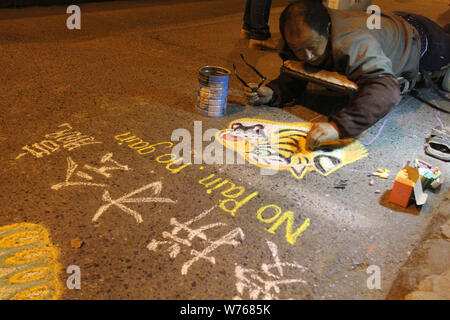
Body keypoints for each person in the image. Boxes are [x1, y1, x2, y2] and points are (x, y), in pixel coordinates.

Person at [245, 0, 450, 150]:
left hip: (425, 41)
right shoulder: (299, 37)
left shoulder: (353, 43)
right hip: (388, 24)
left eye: (312, 47)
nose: (306, 56)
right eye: (298, 49)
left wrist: (339, 126)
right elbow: (300, 68)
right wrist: (274, 91)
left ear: (328, 30)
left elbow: (386, 89)